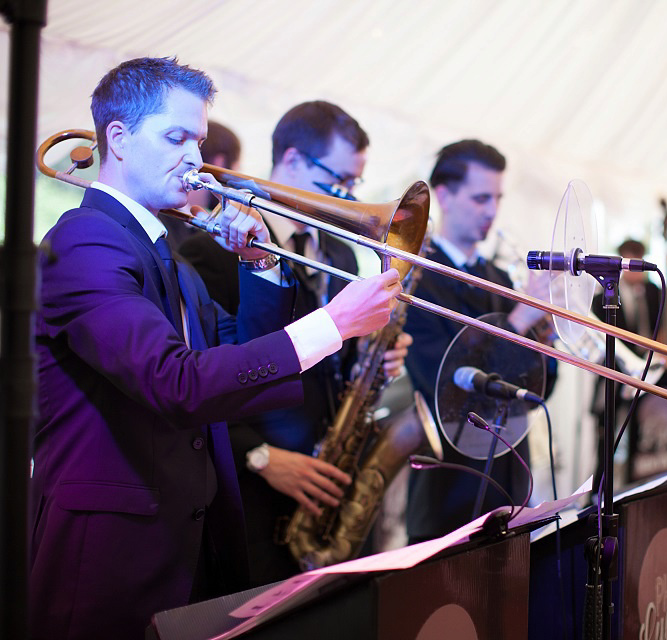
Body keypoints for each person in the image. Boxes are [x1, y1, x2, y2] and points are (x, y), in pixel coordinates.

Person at [29, 57, 402, 640]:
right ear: (119, 139)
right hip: (109, 560)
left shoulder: (164, 251)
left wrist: (263, 261)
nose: (195, 159)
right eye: (175, 137)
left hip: (186, 547)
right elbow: (175, 382)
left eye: (198, 140)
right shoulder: (83, 240)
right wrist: (332, 324)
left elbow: (242, 363)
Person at [179, 100, 411, 586]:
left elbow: (329, 358)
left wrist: (371, 362)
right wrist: (258, 456)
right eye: (337, 181)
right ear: (290, 161)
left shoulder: (339, 250)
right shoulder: (207, 250)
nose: (346, 197)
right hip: (253, 495)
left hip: (325, 480)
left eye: (353, 186)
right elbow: (200, 376)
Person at [403, 139, 552, 543]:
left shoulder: (500, 279)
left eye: (497, 198)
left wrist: (547, 335)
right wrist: (521, 321)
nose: (492, 211)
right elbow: (449, 383)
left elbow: (537, 391)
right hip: (448, 493)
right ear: (445, 196)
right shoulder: (418, 279)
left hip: (509, 486)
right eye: (481, 198)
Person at [590, 238, 667, 483]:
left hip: (654, 369)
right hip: (619, 372)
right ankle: (599, 489)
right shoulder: (605, 295)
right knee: (607, 436)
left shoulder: (656, 291)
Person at [161, 120, 243, 250]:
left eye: (199, 146)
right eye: (176, 140)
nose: (198, 162)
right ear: (220, 162)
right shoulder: (165, 220)